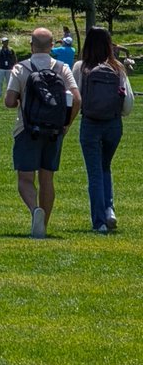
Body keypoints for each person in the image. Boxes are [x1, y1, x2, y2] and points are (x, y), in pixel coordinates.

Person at [4, 27, 80, 239]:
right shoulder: (62, 68)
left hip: (27, 129)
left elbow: (9, 101)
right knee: (47, 179)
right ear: (52, 46)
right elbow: (77, 99)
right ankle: (43, 226)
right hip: (54, 130)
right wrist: (66, 125)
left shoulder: (21, 68)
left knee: (25, 178)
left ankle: (34, 209)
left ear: (31, 45)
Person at [72, 26, 134, 233]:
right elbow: (128, 102)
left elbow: (75, 98)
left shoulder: (81, 67)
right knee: (105, 166)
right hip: (113, 124)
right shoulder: (117, 67)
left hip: (90, 123)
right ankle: (109, 210)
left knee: (95, 173)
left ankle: (99, 222)